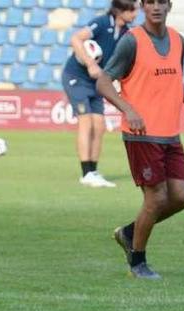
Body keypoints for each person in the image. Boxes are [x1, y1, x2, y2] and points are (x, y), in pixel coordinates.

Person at [94, 0, 184, 279]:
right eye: (150, 2)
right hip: (141, 136)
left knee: (180, 197)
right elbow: (104, 81)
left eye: (161, 2)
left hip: (170, 134)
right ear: (143, 7)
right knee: (155, 199)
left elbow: (175, 80)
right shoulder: (132, 42)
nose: (156, 7)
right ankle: (137, 263)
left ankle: (130, 232)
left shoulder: (178, 40)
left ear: (170, 6)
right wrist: (129, 110)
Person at [61, 0, 139, 188]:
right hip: (76, 78)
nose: (136, 13)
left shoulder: (127, 32)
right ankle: (86, 172)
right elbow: (75, 39)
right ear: (121, 11)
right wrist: (91, 63)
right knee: (86, 121)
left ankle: (92, 171)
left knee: (99, 125)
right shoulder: (102, 22)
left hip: (97, 83)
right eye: (133, 9)